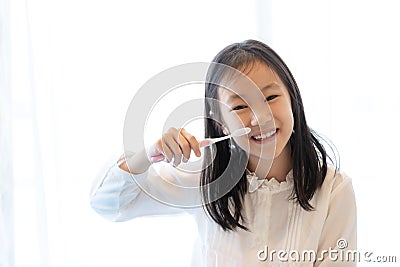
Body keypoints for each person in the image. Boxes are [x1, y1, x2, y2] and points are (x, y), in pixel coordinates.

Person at [90, 40, 357, 266]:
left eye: (271, 98)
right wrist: (149, 154)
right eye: (240, 107)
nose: (260, 118)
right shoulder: (205, 179)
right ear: (219, 120)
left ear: (293, 99)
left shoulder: (334, 190)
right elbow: (107, 204)